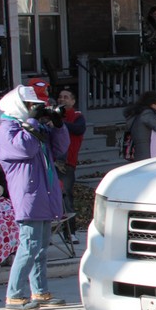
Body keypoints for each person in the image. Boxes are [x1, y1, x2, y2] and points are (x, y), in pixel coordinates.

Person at [0, 85, 70, 310]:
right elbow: (24, 149)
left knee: (40, 248)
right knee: (29, 246)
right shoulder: (8, 129)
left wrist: (57, 125)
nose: (33, 110)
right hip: (28, 195)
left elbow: (60, 148)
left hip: (44, 194)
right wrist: (34, 123)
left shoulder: (30, 127)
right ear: (18, 106)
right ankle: (15, 295)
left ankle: (40, 291)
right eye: (29, 106)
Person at [56, 88, 86, 243]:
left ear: (73, 101)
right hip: (51, 162)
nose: (62, 99)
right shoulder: (52, 114)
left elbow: (78, 129)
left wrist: (59, 121)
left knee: (66, 196)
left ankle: (70, 233)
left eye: (66, 97)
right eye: (60, 97)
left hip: (67, 164)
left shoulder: (77, 117)